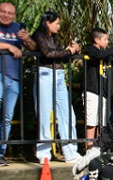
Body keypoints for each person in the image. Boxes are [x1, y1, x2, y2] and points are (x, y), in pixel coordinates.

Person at [0, 1, 35, 166]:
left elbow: (32, 47)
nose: (6, 15)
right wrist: (8, 47)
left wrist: (27, 39)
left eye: (10, 13)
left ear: (14, 15)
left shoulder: (17, 28)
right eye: (3, 11)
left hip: (14, 77)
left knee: (7, 117)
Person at [32, 10, 81, 165]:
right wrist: (67, 51)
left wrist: (70, 52)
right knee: (45, 113)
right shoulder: (39, 36)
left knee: (67, 114)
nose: (59, 26)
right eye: (57, 23)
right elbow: (48, 53)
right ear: (48, 23)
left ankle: (70, 151)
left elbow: (60, 56)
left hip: (59, 75)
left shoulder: (55, 38)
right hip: (45, 74)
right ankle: (44, 152)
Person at [81, 27, 113, 148]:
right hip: (93, 90)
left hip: (104, 92)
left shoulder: (108, 54)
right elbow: (98, 55)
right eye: (104, 39)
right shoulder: (90, 50)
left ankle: (100, 146)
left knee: (103, 121)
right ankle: (89, 146)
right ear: (96, 40)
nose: (107, 42)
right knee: (92, 121)